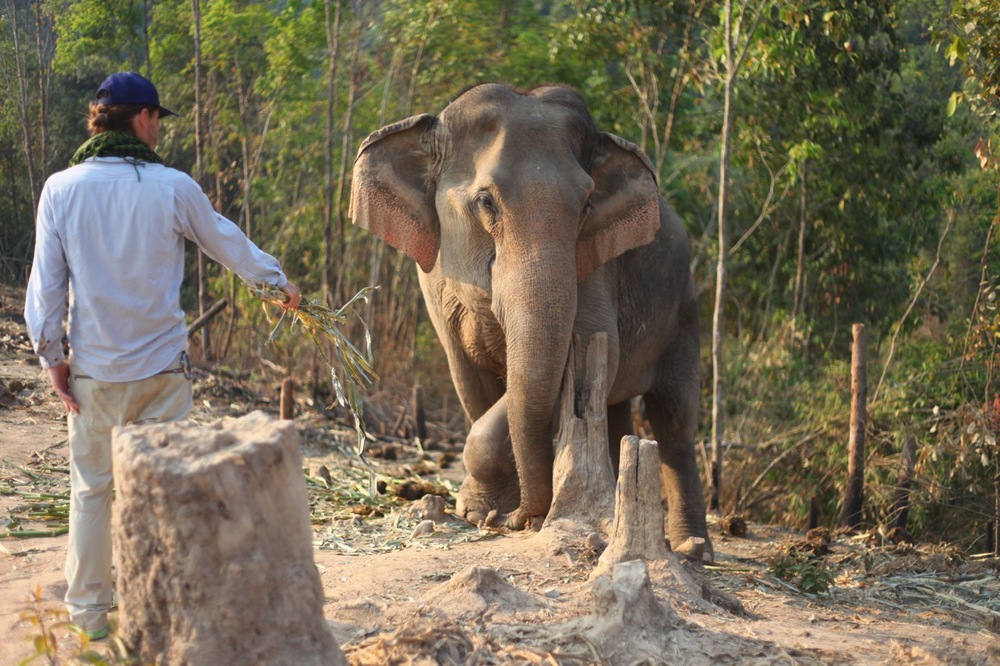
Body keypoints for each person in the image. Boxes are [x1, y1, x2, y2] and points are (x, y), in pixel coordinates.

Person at [23, 71, 301, 640]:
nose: (158, 130)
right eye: (157, 120)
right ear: (143, 118)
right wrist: (277, 284)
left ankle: (89, 619)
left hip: (95, 373)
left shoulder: (60, 188)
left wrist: (52, 355)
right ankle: (161, 610)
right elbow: (227, 242)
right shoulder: (172, 186)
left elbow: (45, 286)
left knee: (93, 490)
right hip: (162, 375)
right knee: (162, 493)